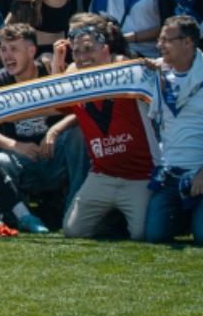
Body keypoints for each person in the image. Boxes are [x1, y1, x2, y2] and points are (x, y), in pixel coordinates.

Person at [53, 14, 158, 241]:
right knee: (73, 231)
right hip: (103, 174)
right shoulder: (75, 73)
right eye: (77, 51)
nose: (83, 57)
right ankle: (111, 221)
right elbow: (55, 101)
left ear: (105, 49)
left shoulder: (125, 67)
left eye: (89, 49)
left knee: (141, 234)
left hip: (140, 175)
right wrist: (57, 62)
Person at [0, 24, 88, 223]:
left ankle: (75, 211)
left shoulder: (47, 69)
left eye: (14, 49)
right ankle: (22, 216)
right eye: (3, 49)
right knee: (0, 160)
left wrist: (55, 130)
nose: (7, 56)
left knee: (78, 134)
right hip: (22, 160)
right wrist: (15, 146)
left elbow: (80, 110)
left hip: (53, 153)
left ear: (31, 51)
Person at [146, 15, 203, 245]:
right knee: (155, 235)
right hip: (170, 173)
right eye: (160, 39)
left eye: (166, 40)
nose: (159, 45)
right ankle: (185, 215)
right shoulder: (160, 75)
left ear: (188, 42)